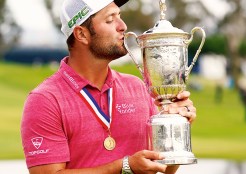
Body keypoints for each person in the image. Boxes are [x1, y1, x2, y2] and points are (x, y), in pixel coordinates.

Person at [20, 0, 197, 173]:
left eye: (119, 16)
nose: (123, 26)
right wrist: (124, 167)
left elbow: (163, 166)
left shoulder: (137, 87)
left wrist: (175, 125)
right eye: (110, 20)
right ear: (81, 34)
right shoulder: (45, 100)